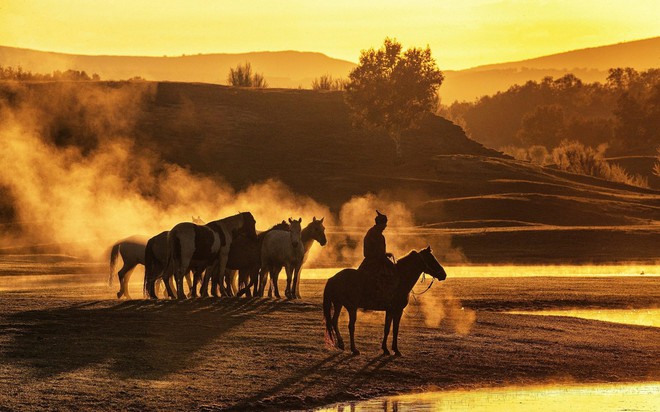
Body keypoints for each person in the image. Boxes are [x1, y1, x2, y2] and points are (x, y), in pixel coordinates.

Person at [357, 210, 398, 305]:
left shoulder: (372, 232)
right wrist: (390, 264)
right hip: (374, 262)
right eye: (385, 224)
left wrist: (385, 254)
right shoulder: (377, 235)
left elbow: (377, 251)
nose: (385, 226)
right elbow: (378, 254)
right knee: (389, 276)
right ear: (380, 224)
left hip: (371, 261)